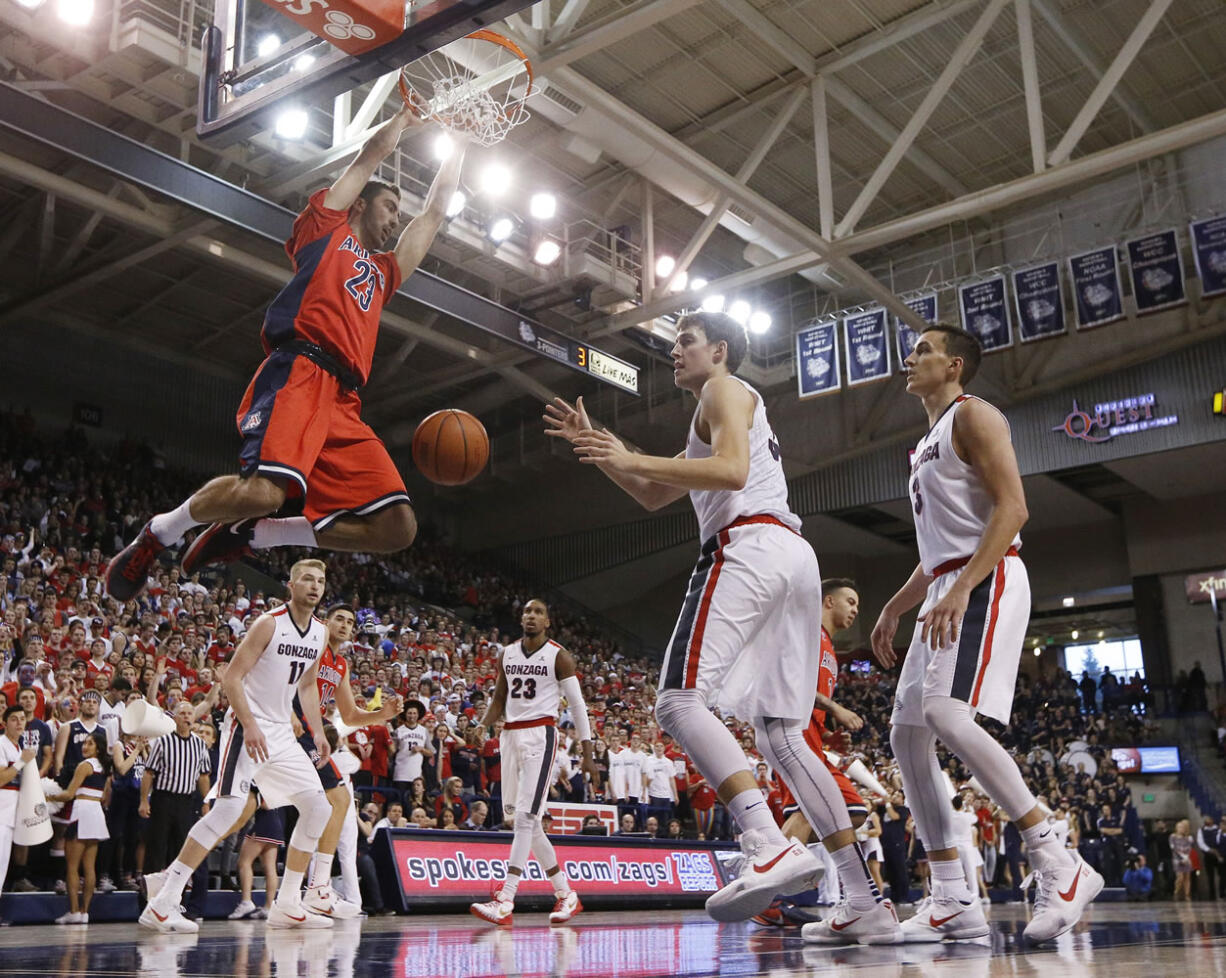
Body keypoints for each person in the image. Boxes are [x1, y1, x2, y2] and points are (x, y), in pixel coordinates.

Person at [546, 311, 896, 939]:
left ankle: (766, 840)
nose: (674, 351)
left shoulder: (722, 389)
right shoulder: (719, 407)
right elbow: (654, 492)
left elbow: (731, 472)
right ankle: (865, 900)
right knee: (782, 737)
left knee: (678, 701)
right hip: (791, 556)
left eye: (685, 341)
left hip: (749, 547)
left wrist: (632, 452)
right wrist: (602, 448)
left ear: (721, 350)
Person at [105, 110, 469, 601]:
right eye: (388, 206)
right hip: (299, 370)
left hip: (343, 400)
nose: (395, 218)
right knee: (261, 492)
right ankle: (159, 534)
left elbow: (434, 214)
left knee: (397, 529)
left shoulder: (382, 276)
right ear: (358, 206)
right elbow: (370, 157)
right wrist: (404, 119)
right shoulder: (325, 230)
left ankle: (255, 534)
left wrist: (461, 141)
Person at [870, 323, 1103, 943]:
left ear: (955, 366)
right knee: (906, 734)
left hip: (988, 575)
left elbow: (1014, 509)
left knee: (945, 715)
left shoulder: (976, 418)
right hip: (949, 581)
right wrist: (896, 605)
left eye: (923, 349)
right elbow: (937, 550)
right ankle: (951, 896)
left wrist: (964, 587)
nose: (910, 357)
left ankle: (1058, 858)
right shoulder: (924, 444)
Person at [139, 559, 334, 933]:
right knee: (228, 810)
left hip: (280, 732)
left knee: (317, 808)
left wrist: (318, 730)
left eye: (320, 581)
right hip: (247, 728)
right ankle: (163, 902)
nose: (314, 586)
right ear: (290, 585)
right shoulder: (269, 624)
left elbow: (307, 687)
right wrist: (248, 723)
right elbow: (231, 678)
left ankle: (288, 902)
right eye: (307, 579)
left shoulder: (320, 633)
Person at [759, 579, 880, 937]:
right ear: (828, 601)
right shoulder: (807, 633)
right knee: (807, 812)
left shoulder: (829, 649)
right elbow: (795, 683)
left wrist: (829, 733)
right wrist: (836, 708)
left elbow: (812, 700)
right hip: (791, 734)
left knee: (853, 810)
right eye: (850, 601)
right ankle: (767, 892)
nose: (855, 609)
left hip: (812, 736)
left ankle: (770, 868)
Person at [470, 599, 595, 927]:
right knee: (526, 822)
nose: (531, 616)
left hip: (541, 735)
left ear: (547, 621)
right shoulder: (507, 653)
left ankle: (505, 898)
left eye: (538, 612)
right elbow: (499, 698)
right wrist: (483, 725)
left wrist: (588, 752)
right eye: (527, 612)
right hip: (509, 737)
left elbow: (578, 706)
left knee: (526, 818)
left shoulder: (559, 656)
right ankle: (566, 894)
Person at [293, 601, 402, 919]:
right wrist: (288, 714)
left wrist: (381, 714)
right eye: (337, 619)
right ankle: (316, 889)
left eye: (349, 622)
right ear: (324, 623)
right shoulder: (311, 648)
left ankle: (311, 890)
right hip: (291, 726)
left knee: (329, 803)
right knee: (335, 800)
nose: (343, 625)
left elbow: (351, 714)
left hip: (311, 734)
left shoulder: (340, 664)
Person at [49, 729, 110, 924]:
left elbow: (68, 794)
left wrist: (46, 796)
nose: (85, 746)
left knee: (72, 867)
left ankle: (74, 911)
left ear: (99, 748)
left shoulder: (84, 765)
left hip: (82, 812)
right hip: (96, 814)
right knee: (90, 867)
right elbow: (104, 797)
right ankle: (85, 913)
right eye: (84, 743)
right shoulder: (104, 767)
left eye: (90, 743)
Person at [0, 706, 38, 925]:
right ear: (5, 723)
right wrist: (22, 761)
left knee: (4, 865)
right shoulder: (2, 744)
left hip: (11, 813)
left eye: (22, 719)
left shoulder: (17, 747)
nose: (19, 723)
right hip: (1, 811)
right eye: (14, 719)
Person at [1171, 818, 1193, 900]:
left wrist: (1186, 858)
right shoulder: (1173, 837)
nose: (1181, 829)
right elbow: (1174, 848)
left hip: (1186, 859)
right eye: (1179, 827)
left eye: (1182, 827)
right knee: (1180, 877)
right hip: (1177, 859)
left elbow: (1189, 848)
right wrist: (1181, 857)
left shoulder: (1188, 838)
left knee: (1187, 877)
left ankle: (1187, 895)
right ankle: (1176, 892)